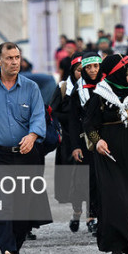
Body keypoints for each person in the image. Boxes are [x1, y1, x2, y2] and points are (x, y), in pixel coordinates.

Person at [0, 42, 51, 254]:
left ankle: (13, 246)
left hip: (26, 156)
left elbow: (38, 117)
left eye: (17, 57)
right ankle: (8, 249)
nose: (14, 62)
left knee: (24, 210)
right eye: (9, 58)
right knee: (2, 205)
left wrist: (32, 136)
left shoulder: (31, 87)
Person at [83, 54, 128, 254]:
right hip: (110, 157)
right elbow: (89, 124)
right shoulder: (100, 95)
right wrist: (97, 140)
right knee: (116, 201)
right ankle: (116, 246)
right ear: (118, 73)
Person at [50, 52, 87, 232]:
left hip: (90, 139)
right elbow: (53, 111)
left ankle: (92, 217)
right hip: (69, 140)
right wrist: (72, 116)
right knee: (74, 182)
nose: (83, 73)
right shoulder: (64, 87)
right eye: (79, 70)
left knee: (92, 180)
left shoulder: (97, 87)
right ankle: (77, 212)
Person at [68, 52, 103, 236]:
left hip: (107, 140)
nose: (92, 70)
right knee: (90, 181)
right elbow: (73, 121)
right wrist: (75, 146)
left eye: (95, 66)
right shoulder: (77, 91)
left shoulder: (107, 85)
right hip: (86, 142)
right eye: (88, 67)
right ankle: (91, 217)